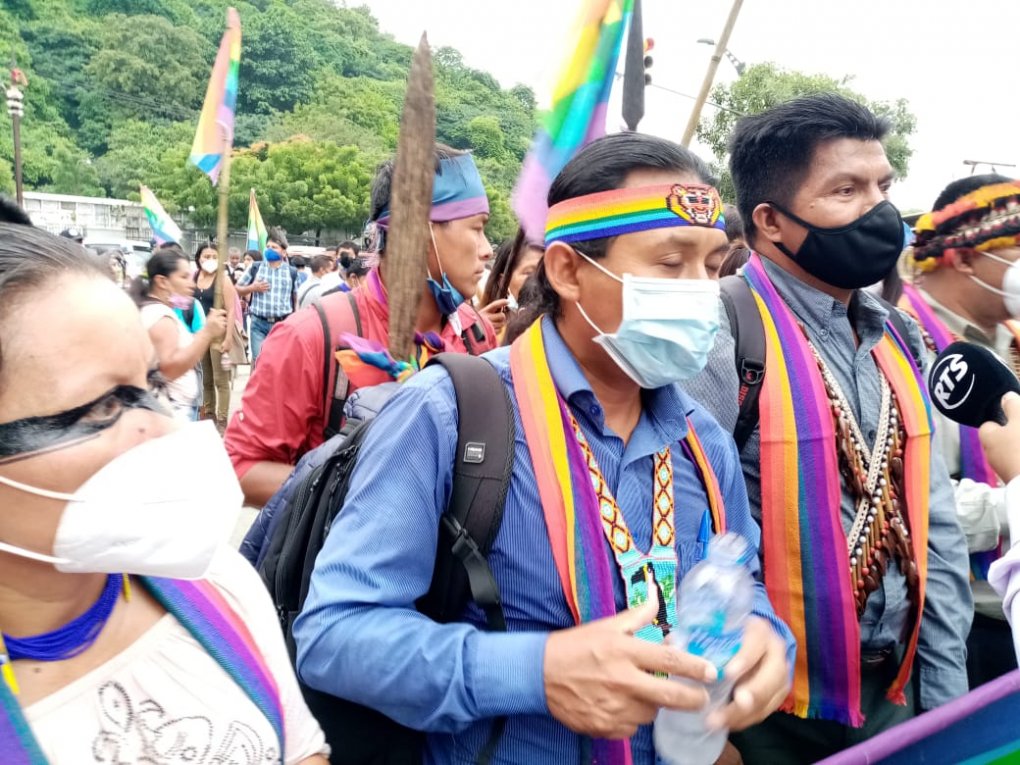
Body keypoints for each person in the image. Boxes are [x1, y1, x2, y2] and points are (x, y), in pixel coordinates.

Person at [294, 132, 794, 765]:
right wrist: (536, 670)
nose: (702, 291)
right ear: (568, 271)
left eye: (713, 266)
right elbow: (334, 635)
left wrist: (764, 640)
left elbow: (742, 583)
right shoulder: (449, 415)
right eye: (671, 264)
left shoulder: (704, 441)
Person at [683, 93, 972, 763]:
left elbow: (934, 527)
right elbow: (678, 539)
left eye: (883, 187)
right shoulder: (718, 335)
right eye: (846, 191)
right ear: (771, 221)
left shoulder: (898, 335)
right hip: (761, 704)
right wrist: (703, 727)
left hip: (894, 690)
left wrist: (944, 696)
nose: (879, 211)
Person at [0, 207, 328, 764]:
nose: (164, 429)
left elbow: (303, 752)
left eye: (150, 384)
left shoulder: (219, 584)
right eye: (104, 406)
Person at [225, 145, 498, 507]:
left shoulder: (477, 335)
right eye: (476, 229)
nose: (487, 250)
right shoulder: (311, 336)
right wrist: (359, 490)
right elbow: (240, 471)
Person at [901, 175, 1020, 686]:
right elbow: (906, 500)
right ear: (967, 257)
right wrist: (1013, 499)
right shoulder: (896, 343)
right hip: (961, 626)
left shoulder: (1010, 340)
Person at [138, 250, 227, 422]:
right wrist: (207, 333)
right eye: (184, 277)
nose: (191, 284)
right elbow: (170, 369)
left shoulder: (156, 310)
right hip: (170, 412)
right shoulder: (160, 317)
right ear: (162, 281)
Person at [193, 242, 240, 430]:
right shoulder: (194, 278)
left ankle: (222, 420)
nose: (210, 260)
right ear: (199, 258)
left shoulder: (223, 280)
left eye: (214, 256)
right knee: (205, 380)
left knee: (221, 381)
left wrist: (228, 338)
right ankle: (209, 415)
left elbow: (231, 310)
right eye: (206, 256)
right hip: (200, 334)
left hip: (218, 336)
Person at [234, 230, 298, 363]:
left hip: (281, 324)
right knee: (259, 361)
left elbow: (296, 299)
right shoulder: (256, 268)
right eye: (268, 247)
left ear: (283, 252)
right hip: (258, 324)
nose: (269, 250)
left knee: (278, 363)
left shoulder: (292, 272)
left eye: (274, 247)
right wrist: (253, 288)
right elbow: (236, 289)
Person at [478, 228, 545, 340]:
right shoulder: (486, 331)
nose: (541, 280)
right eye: (529, 273)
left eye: (546, 272)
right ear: (503, 281)